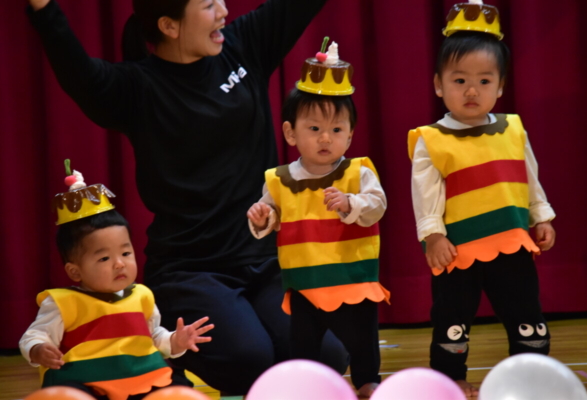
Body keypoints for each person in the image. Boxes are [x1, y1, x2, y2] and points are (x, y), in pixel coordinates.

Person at [26, 0, 348, 395]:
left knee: (328, 355)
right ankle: (164, 353)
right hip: (191, 270)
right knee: (249, 358)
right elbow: (76, 69)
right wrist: (43, 8)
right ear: (169, 25)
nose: (223, 10)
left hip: (265, 261)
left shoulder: (243, 45)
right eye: (208, 4)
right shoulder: (136, 89)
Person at [407, 2, 556, 397]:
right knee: (452, 320)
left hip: (512, 242)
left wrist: (540, 216)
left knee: (526, 314)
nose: (472, 90)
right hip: (458, 251)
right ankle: (451, 377)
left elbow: (530, 178)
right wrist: (433, 236)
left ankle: (530, 375)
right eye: (459, 80)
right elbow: (425, 195)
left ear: (500, 85)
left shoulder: (513, 129)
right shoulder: (431, 139)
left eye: (484, 81)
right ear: (439, 84)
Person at [247, 41, 389, 398]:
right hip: (304, 283)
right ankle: (306, 386)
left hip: (352, 279)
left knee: (362, 338)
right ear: (291, 133)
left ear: (350, 135)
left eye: (337, 130)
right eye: (314, 129)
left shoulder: (358, 172)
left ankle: (367, 381)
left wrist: (350, 202)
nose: (326, 138)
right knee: (304, 344)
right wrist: (263, 217)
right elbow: (270, 216)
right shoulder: (279, 179)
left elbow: (377, 205)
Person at [19, 169, 214, 400]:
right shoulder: (62, 303)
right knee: (69, 395)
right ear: (74, 271)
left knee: (178, 385)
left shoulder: (142, 295)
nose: (120, 264)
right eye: (104, 258)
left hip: (142, 376)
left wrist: (175, 341)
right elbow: (34, 336)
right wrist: (38, 349)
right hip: (88, 381)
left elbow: (153, 336)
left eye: (126, 253)